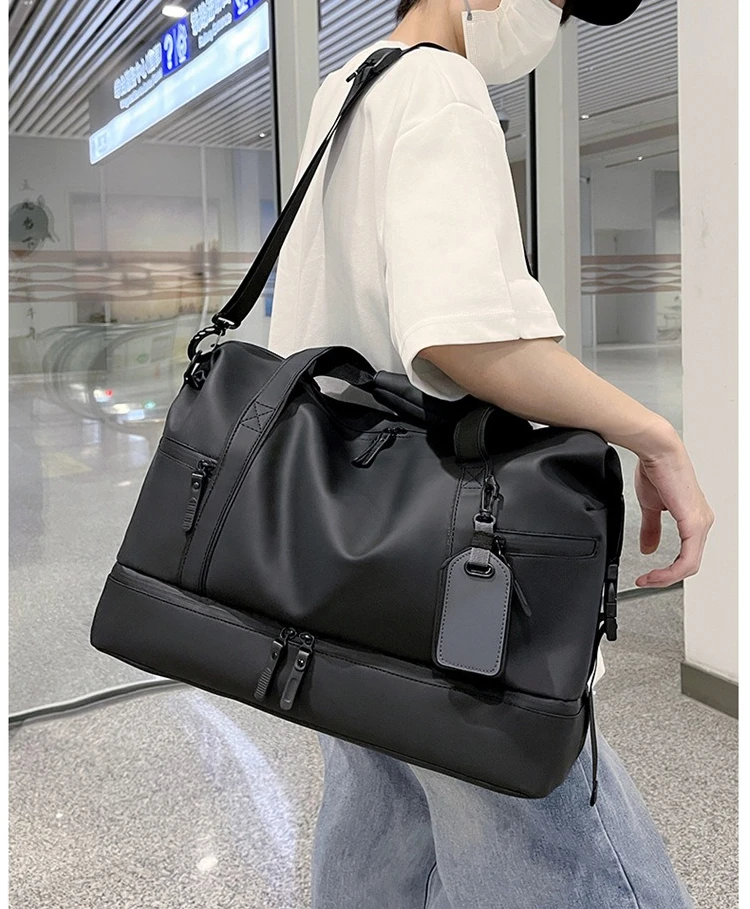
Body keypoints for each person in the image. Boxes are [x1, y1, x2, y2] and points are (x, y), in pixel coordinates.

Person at [268, 1, 714, 906]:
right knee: (559, 847)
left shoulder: (343, 88)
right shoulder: (440, 83)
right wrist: (653, 433)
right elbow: (460, 338)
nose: (552, 24)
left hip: (336, 562)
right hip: (445, 571)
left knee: (380, 832)